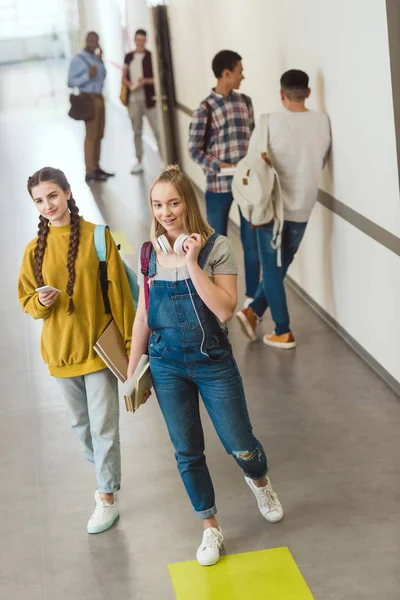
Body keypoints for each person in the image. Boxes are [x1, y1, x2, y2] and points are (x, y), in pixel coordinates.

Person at [127, 165, 283, 566]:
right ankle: (209, 527)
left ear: (188, 203)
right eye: (158, 204)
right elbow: (143, 315)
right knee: (187, 451)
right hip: (166, 367)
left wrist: (192, 262)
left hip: (213, 362)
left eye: (174, 202)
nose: (166, 212)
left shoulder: (217, 248)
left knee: (241, 444)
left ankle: (260, 481)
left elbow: (226, 310)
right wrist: (131, 372)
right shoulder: (148, 253)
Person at [18, 167, 135, 534]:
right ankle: (104, 465)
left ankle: (106, 495)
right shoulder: (33, 251)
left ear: (68, 193)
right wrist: (42, 302)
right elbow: (26, 301)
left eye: (53, 195)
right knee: (81, 426)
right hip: (60, 352)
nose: (48, 205)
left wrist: (133, 350)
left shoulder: (98, 238)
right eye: (39, 200)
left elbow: (120, 297)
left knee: (103, 427)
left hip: (98, 350)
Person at [236, 69, 332, 349]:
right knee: (280, 266)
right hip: (304, 205)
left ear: (281, 94)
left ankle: (283, 330)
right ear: (309, 93)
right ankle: (253, 312)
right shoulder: (322, 122)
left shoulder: (269, 122)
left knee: (273, 269)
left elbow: (253, 165)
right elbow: (322, 160)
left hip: (272, 208)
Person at [189, 50, 260, 308]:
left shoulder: (246, 103)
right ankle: (216, 299)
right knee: (215, 246)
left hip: (246, 187)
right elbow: (194, 150)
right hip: (218, 188)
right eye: (239, 70)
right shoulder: (205, 109)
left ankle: (251, 303)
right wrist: (220, 165)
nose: (243, 75)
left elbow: (253, 142)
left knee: (252, 245)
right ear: (226, 73)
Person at [68, 32, 114, 184]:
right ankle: (90, 171)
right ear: (86, 41)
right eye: (91, 40)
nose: (93, 43)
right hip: (88, 99)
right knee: (91, 135)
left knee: (99, 134)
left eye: (96, 41)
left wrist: (101, 59)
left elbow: (103, 76)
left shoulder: (95, 58)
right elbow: (70, 82)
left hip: (99, 98)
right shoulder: (78, 59)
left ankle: (97, 166)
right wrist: (88, 76)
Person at [122, 29, 160, 174]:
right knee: (137, 131)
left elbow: (157, 79)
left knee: (157, 130)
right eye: (138, 39)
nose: (140, 42)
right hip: (134, 99)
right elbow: (124, 77)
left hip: (149, 99)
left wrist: (145, 81)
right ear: (134, 40)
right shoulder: (129, 57)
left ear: (146, 40)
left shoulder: (151, 57)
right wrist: (131, 85)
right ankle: (139, 161)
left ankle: (165, 161)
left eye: (142, 40)